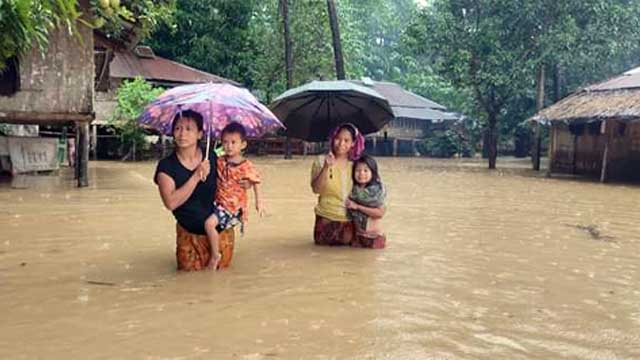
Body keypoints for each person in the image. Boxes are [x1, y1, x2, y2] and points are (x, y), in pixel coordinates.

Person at [154, 110, 222, 271]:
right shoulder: (166, 166)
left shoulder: (210, 157)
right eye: (178, 128)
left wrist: (244, 183)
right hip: (188, 235)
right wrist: (196, 176)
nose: (182, 133)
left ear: (200, 134)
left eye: (189, 129)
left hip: (219, 234)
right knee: (187, 284)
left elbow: (225, 185)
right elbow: (170, 203)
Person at [310, 123, 364, 246]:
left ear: (353, 143)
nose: (341, 144)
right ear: (333, 139)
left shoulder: (356, 165)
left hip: (349, 221)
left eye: (346, 140)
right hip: (326, 218)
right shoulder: (320, 161)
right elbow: (317, 190)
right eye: (338, 139)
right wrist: (326, 167)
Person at [211, 122, 264, 238]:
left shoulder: (245, 165)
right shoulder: (219, 161)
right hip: (218, 203)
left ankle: (215, 254)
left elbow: (256, 182)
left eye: (233, 142)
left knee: (210, 224)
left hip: (233, 207)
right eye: (225, 142)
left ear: (243, 144)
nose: (229, 146)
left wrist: (258, 202)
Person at [345, 154, 386, 249]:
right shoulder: (352, 190)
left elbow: (379, 213)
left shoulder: (376, 192)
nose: (361, 174)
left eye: (366, 170)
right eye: (358, 170)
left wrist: (357, 206)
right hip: (358, 237)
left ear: (373, 172)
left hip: (375, 238)